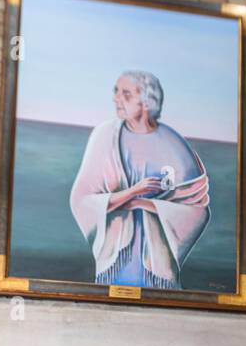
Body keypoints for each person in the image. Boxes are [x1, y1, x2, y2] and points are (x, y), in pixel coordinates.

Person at [70, 70, 210, 289]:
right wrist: (133, 193)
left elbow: (197, 209)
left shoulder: (174, 143)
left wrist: (141, 203)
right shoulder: (104, 136)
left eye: (126, 94)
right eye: (116, 92)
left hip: (156, 263)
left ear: (146, 101)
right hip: (115, 257)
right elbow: (81, 200)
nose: (116, 99)